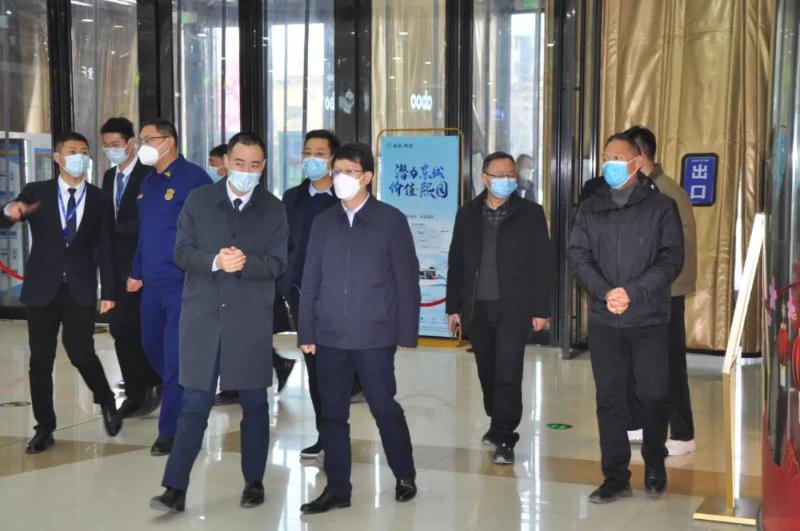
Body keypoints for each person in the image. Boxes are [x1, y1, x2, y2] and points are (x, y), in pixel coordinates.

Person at [150, 132, 288, 512]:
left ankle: (254, 481)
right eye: (239, 162)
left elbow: (278, 263)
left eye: (254, 165)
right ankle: (175, 488)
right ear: (226, 161)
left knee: (255, 404)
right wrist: (214, 261)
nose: (246, 171)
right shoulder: (199, 200)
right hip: (204, 317)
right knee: (194, 403)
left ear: (263, 167)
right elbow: (182, 252)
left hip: (249, 319)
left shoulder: (273, 209)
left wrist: (243, 263)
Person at [297, 143, 419, 514]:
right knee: (332, 414)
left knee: (384, 407)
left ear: (366, 177)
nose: (340, 178)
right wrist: (306, 332)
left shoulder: (391, 220)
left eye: (348, 172)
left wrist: (406, 333)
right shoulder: (324, 222)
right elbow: (311, 279)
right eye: (336, 171)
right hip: (329, 335)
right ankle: (338, 488)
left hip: (374, 335)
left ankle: (404, 474)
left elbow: (406, 279)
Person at [568, 132, 684, 503]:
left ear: (636, 162)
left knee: (653, 395)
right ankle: (615, 475)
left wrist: (630, 291)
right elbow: (579, 255)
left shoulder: (661, 206)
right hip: (605, 319)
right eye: (606, 158)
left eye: (617, 158)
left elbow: (671, 259)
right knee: (610, 399)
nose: (610, 164)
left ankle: (655, 463)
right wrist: (606, 292)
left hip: (648, 319)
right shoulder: (591, 206)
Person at [1, 132, 121, 453]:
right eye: (72, 151)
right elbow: (7, 216)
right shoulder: (36, 191)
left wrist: (109, 291)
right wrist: (10, 211)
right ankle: (45, 428)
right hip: (42, 287)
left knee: (81, 351)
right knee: (41, 359)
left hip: (79, 287)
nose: (79, 156)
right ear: (58, 158)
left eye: (83, 151)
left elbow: (106, 248)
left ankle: (107, 400)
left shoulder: (98, 198)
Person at [446, 151, 553, 465]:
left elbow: (542, 264)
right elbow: (456, 262)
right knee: (487, 372)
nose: (507, 180)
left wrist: (541, 309)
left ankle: (505, 435)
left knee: (508, 372)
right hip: (477, 307)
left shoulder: (530, 213)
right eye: (500, 175)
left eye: (511, 175)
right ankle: (496, 420)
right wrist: (453, 307)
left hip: (514, 307)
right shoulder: (467, 213)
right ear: (484, 178)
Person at [127, 119, 212, 456]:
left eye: (147, 139)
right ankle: (191, 393)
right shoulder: (147, 181)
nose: (142, 146)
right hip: (152, 283)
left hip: (183, 283)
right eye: (140, 139)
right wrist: (136, 271)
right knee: (151, 345)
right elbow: (145, 233)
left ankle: (171, 431)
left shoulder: (194, 179)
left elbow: (210, 231)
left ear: (169, 141)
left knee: (175, 356)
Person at [279, 129, 362, 459]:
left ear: (332, 159)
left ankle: (339, 428)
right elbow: (284, 244)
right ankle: (326, 434)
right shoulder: (292, 198)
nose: (311, 159)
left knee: (340, 371)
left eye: (319, 153)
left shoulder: (346, 198)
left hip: (343, 298)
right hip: (304, 297)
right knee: (315, 371)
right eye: (307, 152)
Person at [623, 125, 698, 455]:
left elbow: (674, 251)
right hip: (645, 291)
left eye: (622, 157)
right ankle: (643, 422)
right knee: (643, 363)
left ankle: (683, 434)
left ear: (639, 157)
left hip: (666, 292)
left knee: (669, 364)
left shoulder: (666, 192)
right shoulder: (643, 189)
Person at [100, 117, 161, 419]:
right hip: (115, 267)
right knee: (120, 330)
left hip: (143, 266)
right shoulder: (109, 177)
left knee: (141, 329)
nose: (111, 149)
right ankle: (136, 390)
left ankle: (149, 386)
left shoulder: (149, 174)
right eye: (106, 145)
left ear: (131, 143)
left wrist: (116, 229)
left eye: (116, 144)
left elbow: (152, 221)